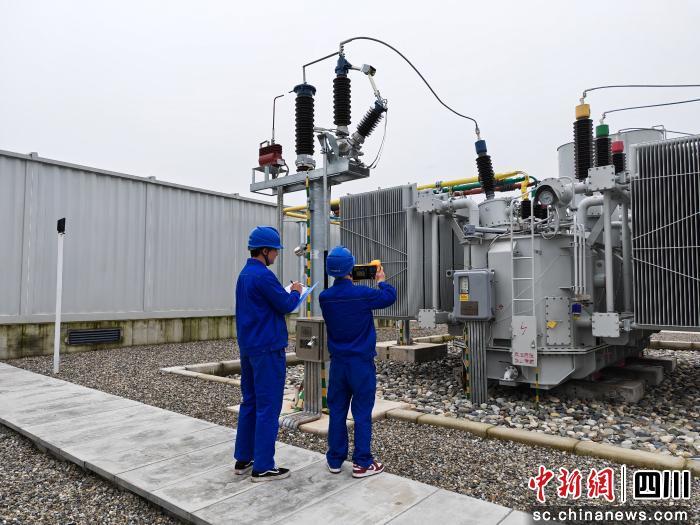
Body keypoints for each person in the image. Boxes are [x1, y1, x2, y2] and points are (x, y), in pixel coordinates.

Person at [319, 245, 397, 478]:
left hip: (338, 364)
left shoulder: (325, 298)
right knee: (362, 411)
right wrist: (381, 280)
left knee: (337, 410)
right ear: (350, 269)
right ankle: (362, 462)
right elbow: (389, 297)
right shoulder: (363, 294)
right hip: (361, 363)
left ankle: (335, 459)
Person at [233, 226, 303, 482]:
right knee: (268, 406)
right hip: (268, 348)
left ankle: (243, 458)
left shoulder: (244, 274)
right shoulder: (263, 276)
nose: (276, 255)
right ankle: (263, 466)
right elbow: (285, 305)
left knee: (250, 401)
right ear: (264, 251)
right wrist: (296, 291)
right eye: (274, 251)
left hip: (249, 347)